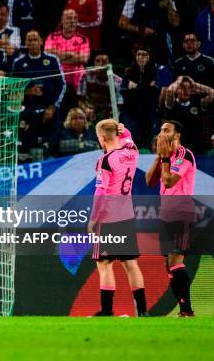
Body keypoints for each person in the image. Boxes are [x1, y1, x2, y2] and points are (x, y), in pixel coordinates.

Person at [88, 120, 148, 317]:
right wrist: (124, 130)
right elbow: (128, 137)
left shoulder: (105, 160)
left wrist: (94, 218)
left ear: (102, 137)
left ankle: (107, 312)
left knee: (104, 264)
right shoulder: (132, 152)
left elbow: (101, 192)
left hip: (107, 218)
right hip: (126, 216)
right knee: (131, 264)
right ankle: (143, 312)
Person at [145, 120, 197, 317]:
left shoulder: (184, 155)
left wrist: (165, 158)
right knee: (169, 265)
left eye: (166, 130)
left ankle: (186, 311)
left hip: (181, 213)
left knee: (175, 260)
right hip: (165, 213)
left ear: (177, 135)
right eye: (160, 130)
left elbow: (167, 181)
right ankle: (184, 310)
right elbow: (149, 181)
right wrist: (159, 157)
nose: (161, 133)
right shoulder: (166, 156)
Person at [159, 76, 214, 153]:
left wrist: (194, 84)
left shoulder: (198, 103)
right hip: (177, 147)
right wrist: (179, 80)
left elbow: (212, 93)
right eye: (182, 88)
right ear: (177, 90)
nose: (185, 91)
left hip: (196, 147)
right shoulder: (171, 104)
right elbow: (169, 91)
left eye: (189, 88)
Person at [45, 9, 90, 96]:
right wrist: (72, 54)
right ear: (62, 20)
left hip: (76, 78)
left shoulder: (83, 39)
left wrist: (58, 57)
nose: (72, 21)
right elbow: (48, 55)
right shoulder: (52, 37)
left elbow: (84, 59)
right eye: (69, 18)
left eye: (75, 18)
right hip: (56, 77)